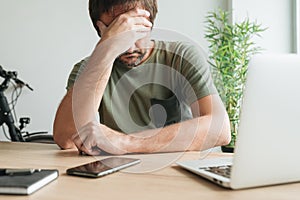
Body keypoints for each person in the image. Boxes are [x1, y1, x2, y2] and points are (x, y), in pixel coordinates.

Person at [53, 0, 231, 155]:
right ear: (100, 30)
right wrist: (105, 50)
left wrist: (125, 142)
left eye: (136, 31)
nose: (129, 48)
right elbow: (66, 139)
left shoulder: (181, 56)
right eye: (117, 32)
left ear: (151, 22)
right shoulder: (88, 70)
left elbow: (220, 129)